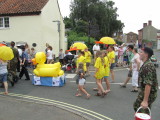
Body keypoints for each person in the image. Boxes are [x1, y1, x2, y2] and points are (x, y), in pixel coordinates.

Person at [133, 47, 158, 114]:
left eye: (141, 52)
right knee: (137, 107)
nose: (139, 53)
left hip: (148, 94)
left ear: (146, 55)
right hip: (145, 92)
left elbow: (148, 84)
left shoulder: (147, 66)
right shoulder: (146, 64)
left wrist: (145, 101)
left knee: (141, 111)